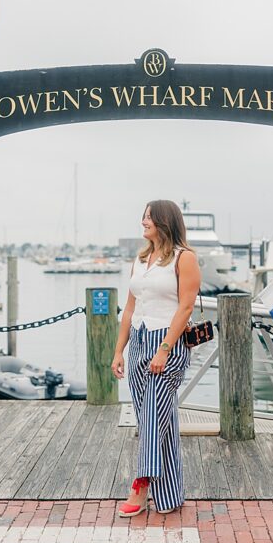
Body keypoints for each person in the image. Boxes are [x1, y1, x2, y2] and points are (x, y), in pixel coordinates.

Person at [112, 200, 201, 517]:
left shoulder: (184, 258)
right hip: (137, 341)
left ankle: (140, 484)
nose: (143, 221)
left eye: (149, 217)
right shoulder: (140, 260)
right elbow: (130, 309)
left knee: (151, 416)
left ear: (165, 221)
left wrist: (164, 348)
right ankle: (170, 496)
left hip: (168, 344)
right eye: (143, 216)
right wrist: (119, 350)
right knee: (159, 420)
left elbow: (186, 307)